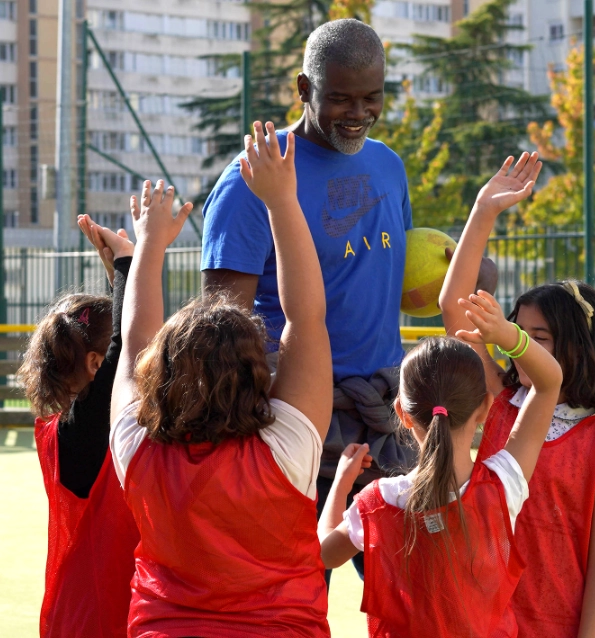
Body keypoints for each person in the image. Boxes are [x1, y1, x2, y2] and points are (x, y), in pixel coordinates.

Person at [200, 18, 441, 581]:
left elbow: (387, 281)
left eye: (371, 97)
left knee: (417, 598)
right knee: (290, 598)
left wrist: (459, 275)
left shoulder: (388, 164)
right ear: (303, 89)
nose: (357, 113)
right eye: (339, 98)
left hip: (386, 420)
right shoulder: (251, 181)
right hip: (294, 426)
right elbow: (222, 328)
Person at [111, 123, 333, 636]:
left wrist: (147, 246)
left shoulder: (136, 448)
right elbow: (306, 316)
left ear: (160, 373)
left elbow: (134, 342)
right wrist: (281, 201)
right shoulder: (286, 448)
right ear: (257, 369)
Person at [440, 155, 595, 637]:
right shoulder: (501, 401)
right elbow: (452, 305)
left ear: (577, 345)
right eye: (513, 330)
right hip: (486, 623)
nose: (512, 341)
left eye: (534, 336)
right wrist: (483, 211)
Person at [318, 319, 562, 636]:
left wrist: (341, 484)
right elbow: (549, 381)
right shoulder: (502, 484)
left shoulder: (377, 503)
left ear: (402, 414)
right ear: (486, 406)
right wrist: (506, 335)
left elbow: (323, 553)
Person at [19, 215, 138, 637]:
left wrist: (118, 279)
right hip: (100, 618)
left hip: (80, 613)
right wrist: (128, 263)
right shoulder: (80, 432)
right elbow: (125, 347)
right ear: (94, 364)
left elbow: (118, 348)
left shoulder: (71, 430)